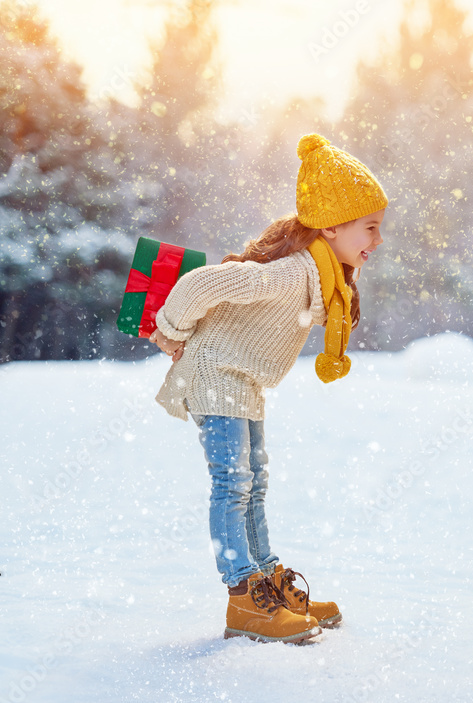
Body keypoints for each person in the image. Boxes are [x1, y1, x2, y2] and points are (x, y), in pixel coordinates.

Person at [148, 134, 387, 644]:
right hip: (216, 373)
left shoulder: (324, 277)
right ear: (332, 226)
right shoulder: (290, 273)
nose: (378, 239)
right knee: (233, 484)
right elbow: (205, 283)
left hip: (243, 380)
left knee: (254, 482)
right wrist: (170, 329)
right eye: (370, 227)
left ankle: (268, 582)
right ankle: (243, 597)